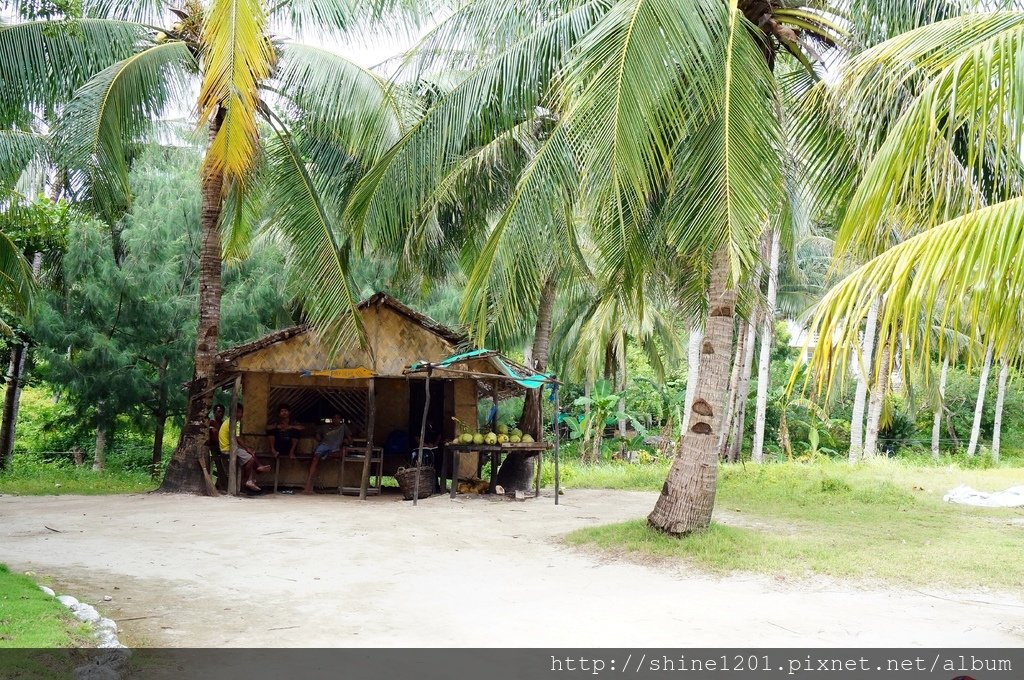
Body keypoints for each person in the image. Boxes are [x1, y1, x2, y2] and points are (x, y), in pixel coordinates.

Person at [218, 404, 270, 493]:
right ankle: (247, 481)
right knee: (250, 458)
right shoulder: (233, 422)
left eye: (241, 412)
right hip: (227, 449)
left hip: (230, 447)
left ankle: (257, 470)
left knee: (251, 453)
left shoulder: (232, 422)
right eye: (239, 412)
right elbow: (237, 438)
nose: (241, 414)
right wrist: (246, 448)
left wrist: (246, 448)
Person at [302, 413, 352, 494]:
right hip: (324, 446)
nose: (336, 419)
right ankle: (308, 484)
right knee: (315, 458)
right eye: (334, 418)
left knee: (343, 453)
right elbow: (317, 434)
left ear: (341, 420)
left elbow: (350, 440)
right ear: (331, 419)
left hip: (335, 448)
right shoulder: (324, 427)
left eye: (338, 418)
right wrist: (318, 437)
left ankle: (326, 455)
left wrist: (346, 441)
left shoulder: (343, 427)